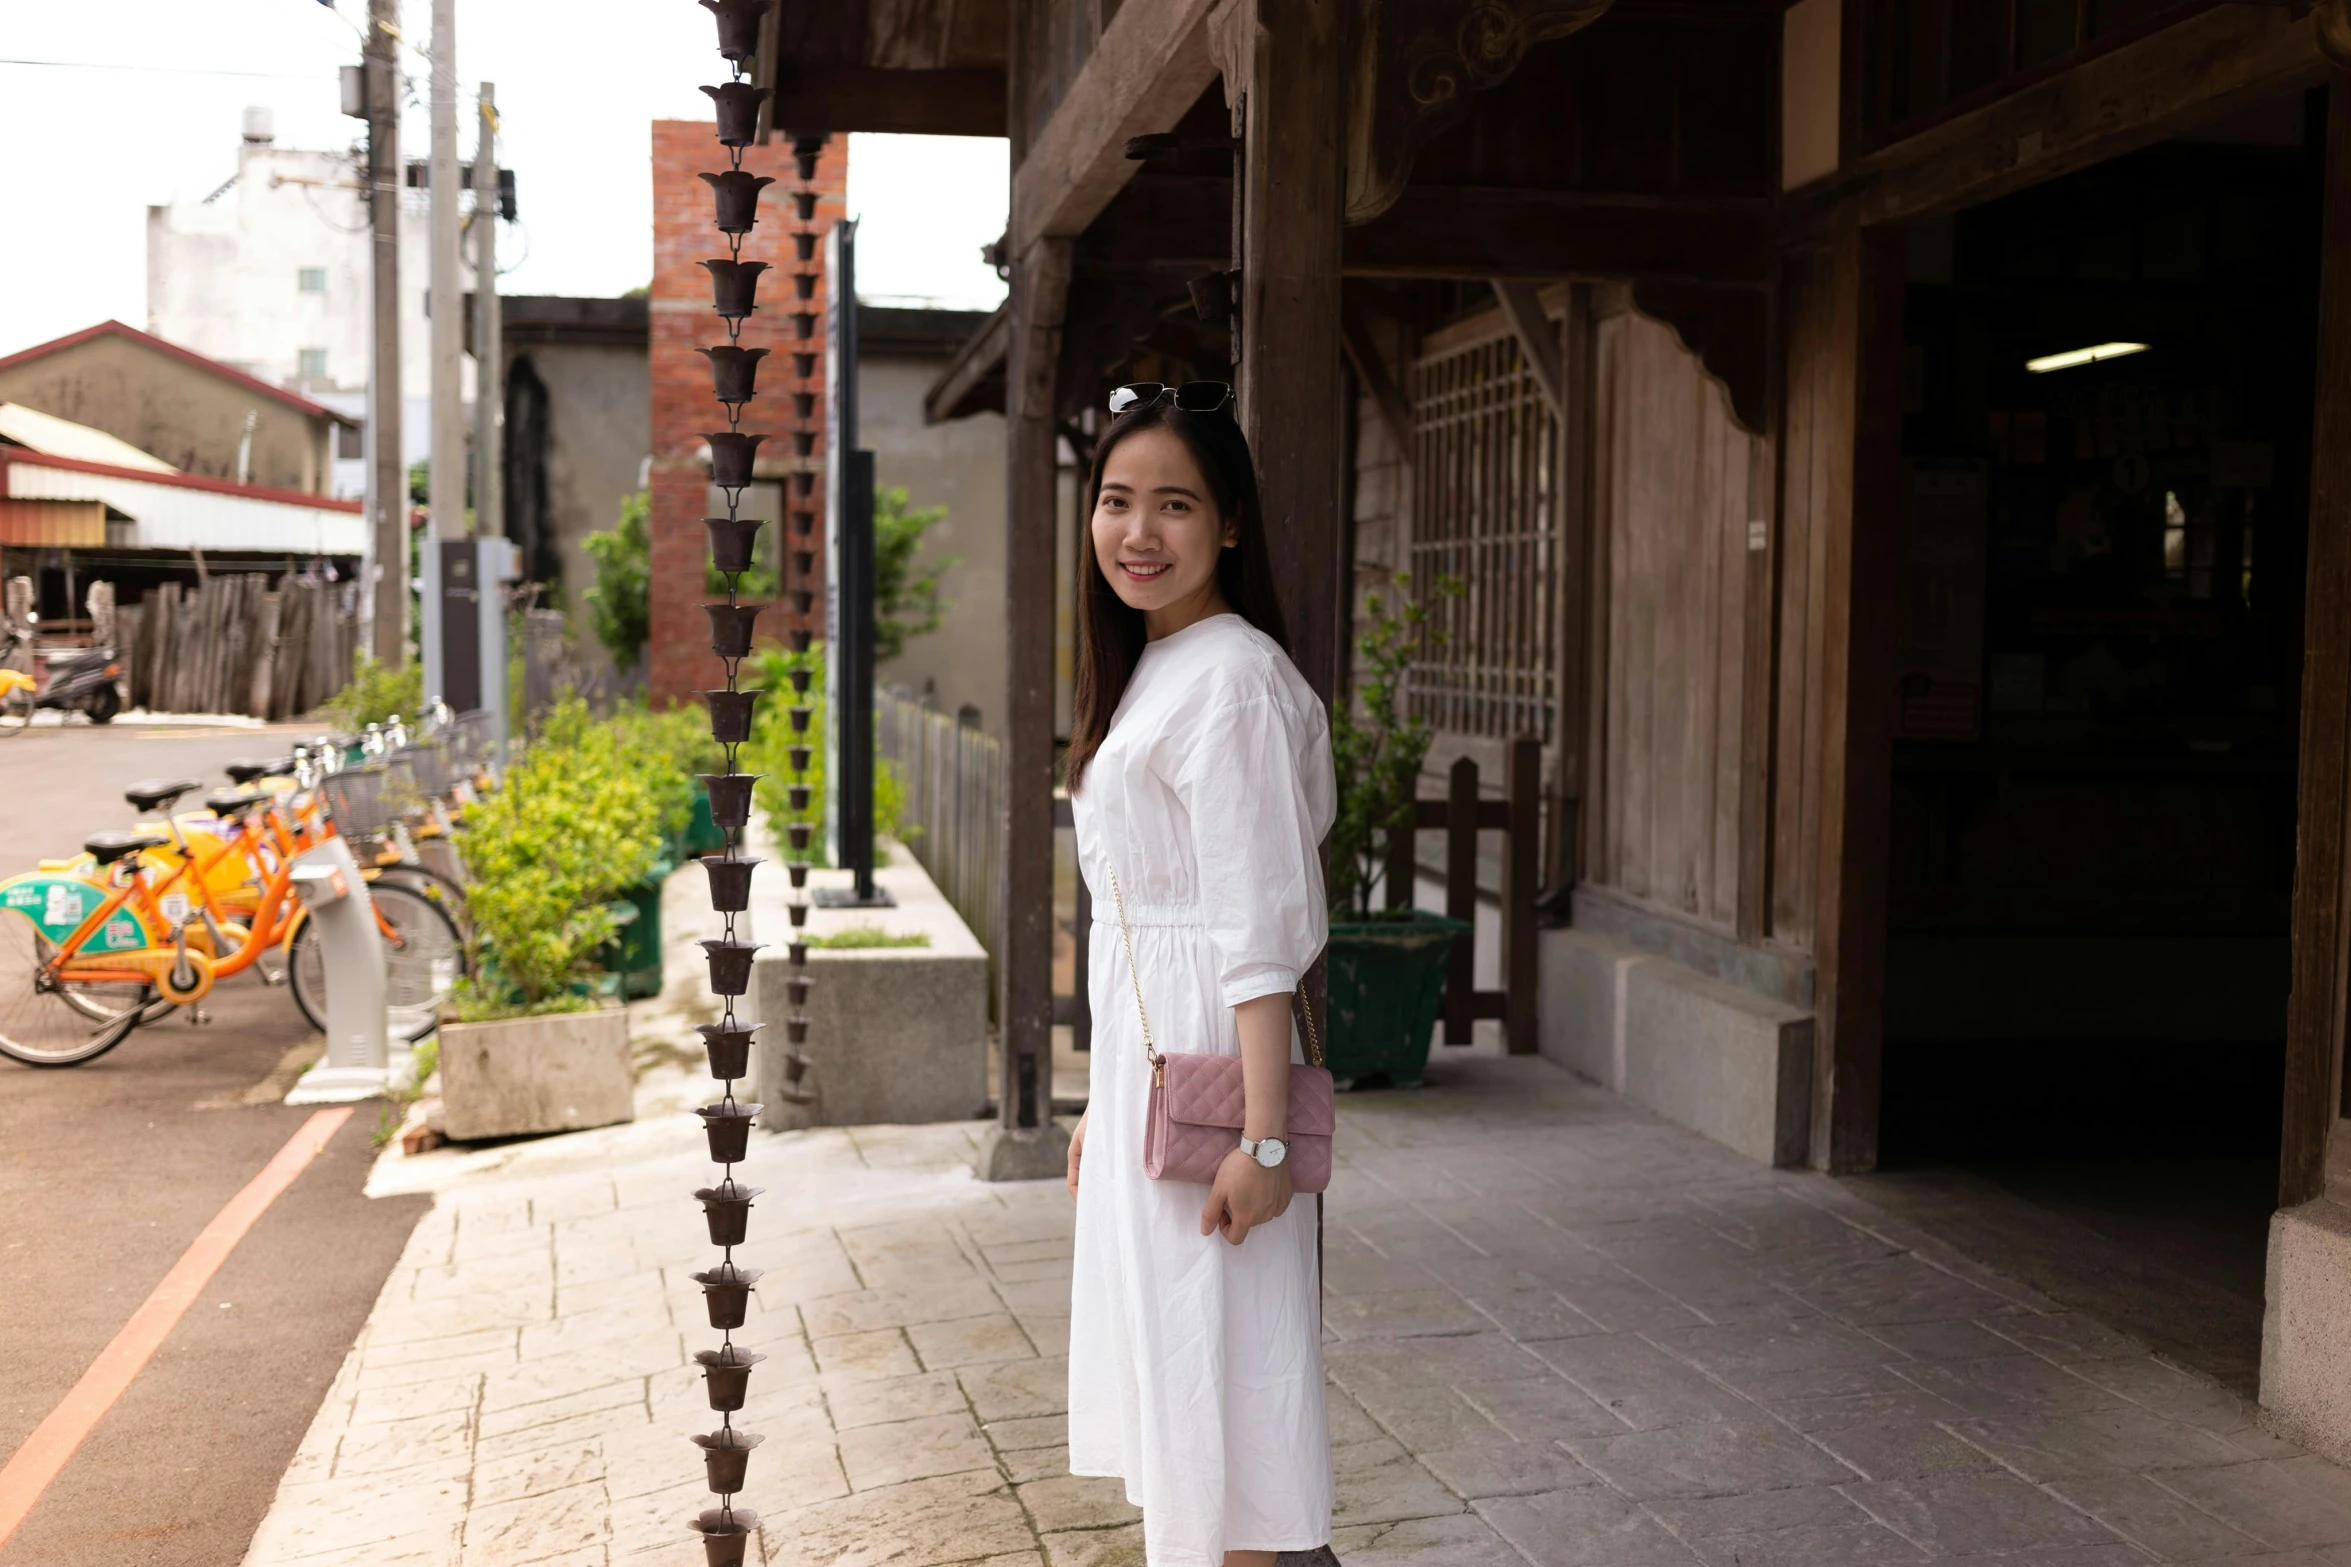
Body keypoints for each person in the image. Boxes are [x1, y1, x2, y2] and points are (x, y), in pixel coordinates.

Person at [1063, 381, 1336, 1567]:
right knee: (1187, 1390)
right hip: (1153, 1066)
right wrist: (1097, 1095)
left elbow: (1254, 924)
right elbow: (1130, 912)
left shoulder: (1229, 677)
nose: (1138, 531)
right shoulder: (1155, 663)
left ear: (1227, 523)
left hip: (1216, 1064)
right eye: (1116, 501)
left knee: (1226, 1400)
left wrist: (1265, 1140)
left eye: (1172, 504)